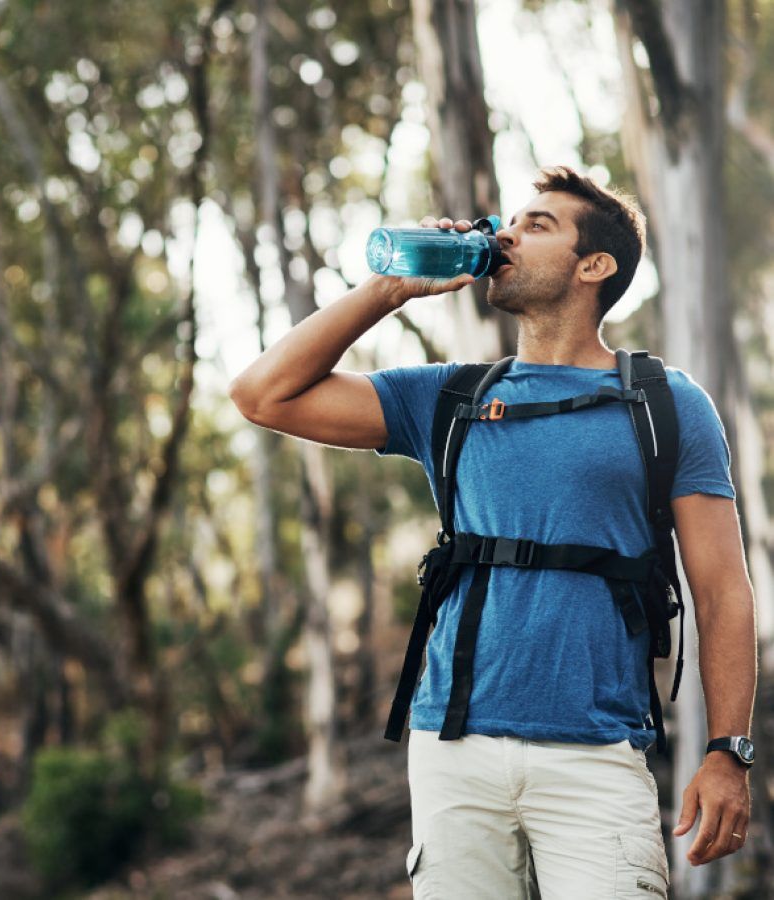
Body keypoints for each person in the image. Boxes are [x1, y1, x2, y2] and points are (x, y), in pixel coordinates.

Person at [228, 166, 756, 898]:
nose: (504, 234)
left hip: (599, 754)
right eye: (508, 221)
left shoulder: (665, 404)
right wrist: (387, 289)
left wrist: (729, 750)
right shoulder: (447, 398)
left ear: (593, 266)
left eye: (537, 225)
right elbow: (262, 394)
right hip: (452, 751)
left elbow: (724, 591)